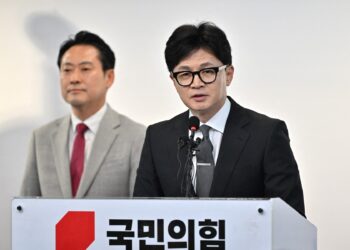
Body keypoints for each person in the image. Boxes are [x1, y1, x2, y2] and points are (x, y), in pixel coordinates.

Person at [133, 22, 305, 216]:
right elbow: (143, 216)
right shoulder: (158, 137)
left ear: (228, 75)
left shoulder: (266, 134)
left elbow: (291, 219)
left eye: (207, 72)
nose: (196, 83)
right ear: (173, 81)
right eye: (185, 74)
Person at [21, 31, 145, 198]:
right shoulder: (41, 137)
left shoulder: (135, 136)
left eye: (85, 69)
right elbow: (27, 207)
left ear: (109, 77)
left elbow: (140, 211)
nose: (74, 78)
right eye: (67, 70)